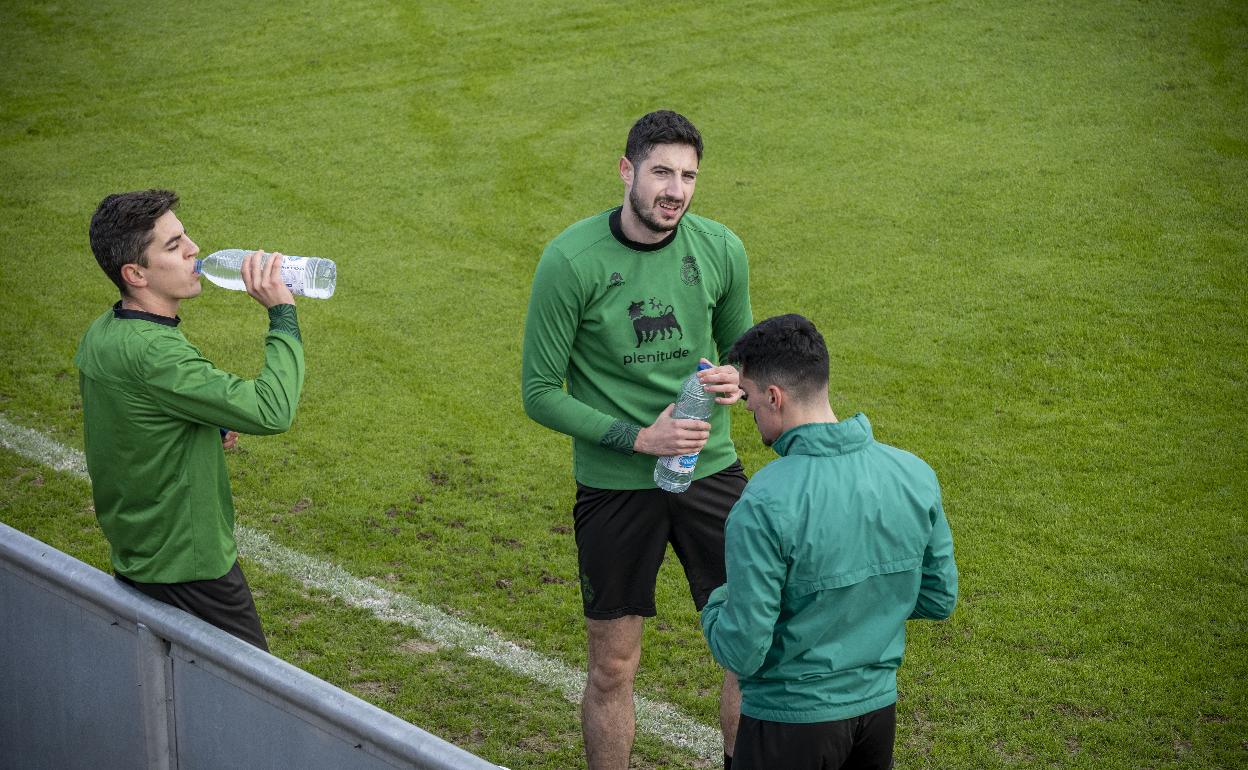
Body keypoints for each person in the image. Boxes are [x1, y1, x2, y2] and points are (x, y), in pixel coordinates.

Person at [522, 110, 753, 769]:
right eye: (661, 172)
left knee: (750, 650)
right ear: (627, 171)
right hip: (618, 485)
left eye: (688, 176)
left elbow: (743, 349)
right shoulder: (570, 261)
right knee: (613, 667)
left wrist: (740, 377)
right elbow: (539, 391)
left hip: (711, 472)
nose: (674, 190)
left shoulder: (721, 249)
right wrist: (637, 438)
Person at [701, 313, 958, 769]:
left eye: (750, 400)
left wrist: (716, 605)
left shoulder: (763, 501)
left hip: (787, 723)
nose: (749, 412)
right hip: (876, 714)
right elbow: (938, 597)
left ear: (775, 397)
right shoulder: (914, 474)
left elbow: (743, 649)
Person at [74, 189, 305, 651]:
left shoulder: (106, 330)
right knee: (255, 697)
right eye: (174, 245)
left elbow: (136, 407)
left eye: (186, 236)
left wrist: (208, 422)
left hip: (140, 553)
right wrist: (282, 313)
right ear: (135, 273)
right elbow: (271, 409)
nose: (194, 249)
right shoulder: (156, 352)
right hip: (191, 566)